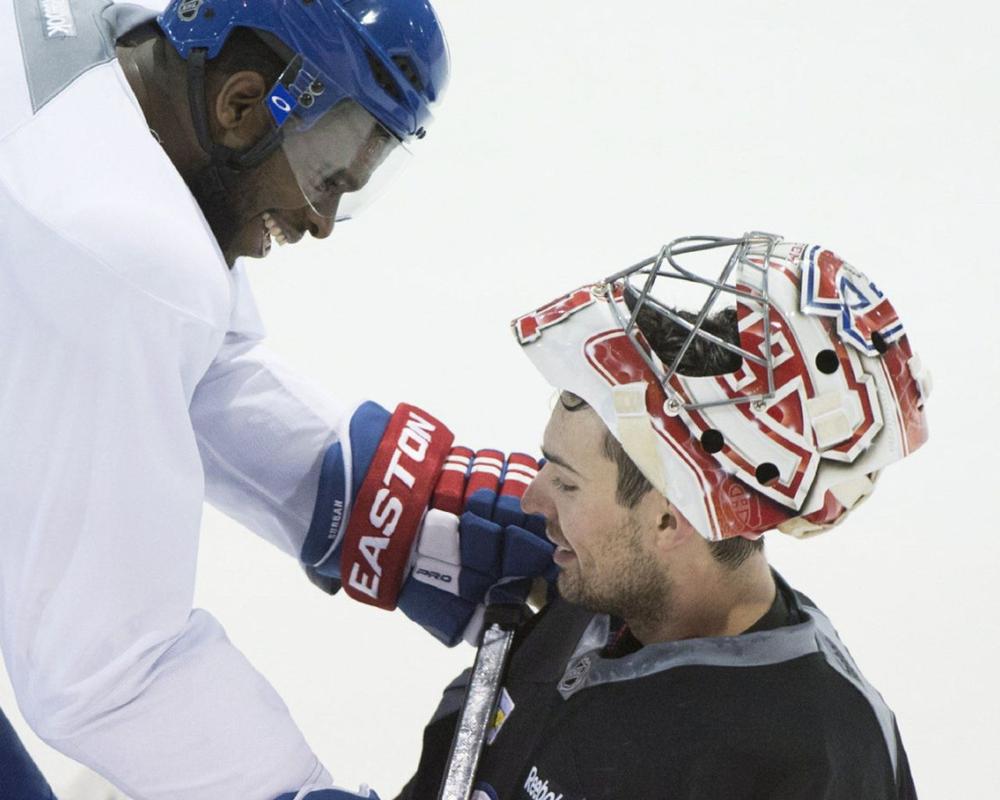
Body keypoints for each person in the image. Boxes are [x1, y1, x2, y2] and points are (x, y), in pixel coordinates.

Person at [0, 1, 553, 798]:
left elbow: (187, 365)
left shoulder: (107, 60)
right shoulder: (116, 247)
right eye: (328, 179)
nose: (321, 221)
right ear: (242, 104)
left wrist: (401, 507)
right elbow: (101, 666)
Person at [398, 233, 931, 799]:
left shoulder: (816, 766)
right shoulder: (603, 597)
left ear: (669, 520)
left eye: (566, 481)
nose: (531, 500)